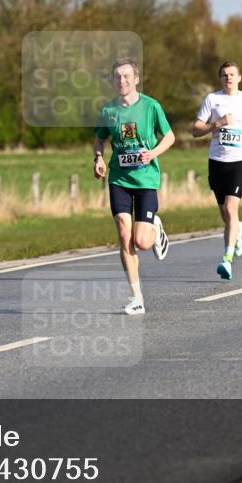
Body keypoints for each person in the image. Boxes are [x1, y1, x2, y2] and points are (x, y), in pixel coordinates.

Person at [93, 58, 173, 315]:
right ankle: (136, 297)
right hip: (119, 179)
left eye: (127, 76)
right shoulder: (108, 111)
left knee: (142, 242)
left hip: (146, 179)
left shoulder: (151, 107)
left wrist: (153, 153)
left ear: (136, 79)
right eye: (117, 77)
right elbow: (99, 141)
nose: (122, 81)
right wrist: (98, 158)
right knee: (124, 236)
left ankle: (155, 227)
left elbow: (170, 136)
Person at [192, 61, 242, 280]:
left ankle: (227, 259)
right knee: (225, 213)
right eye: (224, 75)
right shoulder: (212, 100)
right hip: (216, 161)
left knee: (232, 208)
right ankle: (238, 230)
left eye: (232, 74)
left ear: (239, 77)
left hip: (239, 161)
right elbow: (195, 129)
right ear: (220, 78)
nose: (228, 78)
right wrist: (216, 125)